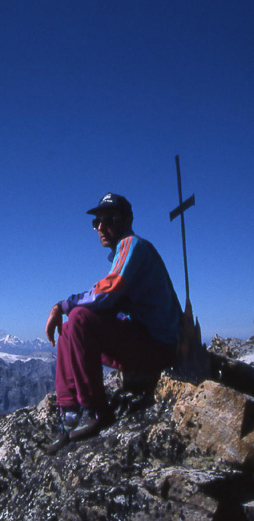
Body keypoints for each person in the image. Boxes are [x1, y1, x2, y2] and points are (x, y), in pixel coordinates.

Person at [44, 193, 182, 451]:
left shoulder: (132, 245)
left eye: (109, 220)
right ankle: (68, 415)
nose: (101, 227)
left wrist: (61, 305)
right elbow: (113, 301)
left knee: (79, 317)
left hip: (158, 347)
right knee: (70, 325)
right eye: (97, 222)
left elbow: (107, 292)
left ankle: (96, 411)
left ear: (127, 220)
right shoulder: (124, 253)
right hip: (144, 340)